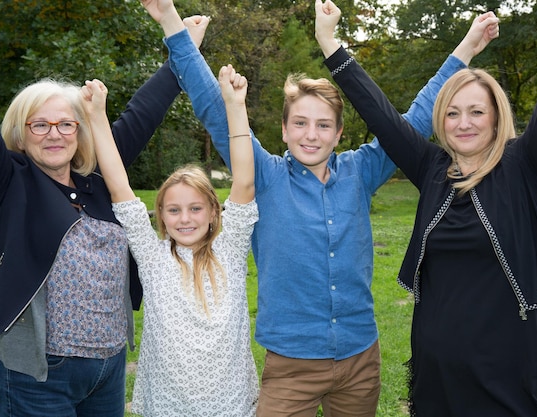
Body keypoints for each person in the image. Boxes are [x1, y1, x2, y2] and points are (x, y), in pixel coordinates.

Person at [154, 0, 498, 414]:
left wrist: (466, 49)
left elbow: (418, 117)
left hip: (359, 361)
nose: (310, 135)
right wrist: (171, 22)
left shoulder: (362, 170)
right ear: (284, 130)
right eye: (300, 123)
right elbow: (214, 108)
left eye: (323, 125)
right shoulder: (263, 175)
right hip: (290, 366)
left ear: (338, 133)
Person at [315, 0, 537, 415]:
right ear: (440, 121)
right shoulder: (430, 168)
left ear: (497, 118)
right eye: (452, 113)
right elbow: (381, 115)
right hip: (438, 372)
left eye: (476, 111)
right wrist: (329, 43)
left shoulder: (525, 166)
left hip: (511, 369)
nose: (464, 123)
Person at [0, 9, 204, 416]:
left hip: (108, 370)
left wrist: (184, 48)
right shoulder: (6, 182)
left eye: (66, 124)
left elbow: (143, 113)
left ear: (81, 131)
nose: (55, 133)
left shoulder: (100, 178)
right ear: (21, 134)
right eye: (39, 125)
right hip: (37, 376)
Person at [84, 44, 259, 417]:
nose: (185, 219)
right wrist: (97, 116)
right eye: (174, 210)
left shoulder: (229, 249)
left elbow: (244, 182)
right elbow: (118, 185)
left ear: (214, 212)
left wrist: (235, 106)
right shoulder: (151, 255)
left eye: (195, 208)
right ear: (160, 215)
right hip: (167, 404)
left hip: (230, 403)